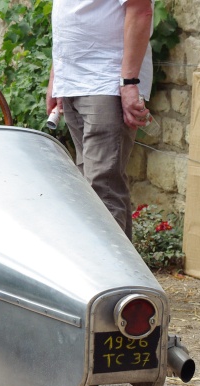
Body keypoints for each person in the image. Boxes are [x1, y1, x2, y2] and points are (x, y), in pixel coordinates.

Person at [46, 0, 154, 240]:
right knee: (93, 190)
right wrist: (58, 77)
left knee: (101, 191)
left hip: (106, 81)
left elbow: (141, 10)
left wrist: (128, 83)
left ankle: (109, 275)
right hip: (76, 81)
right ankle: (125, 273)